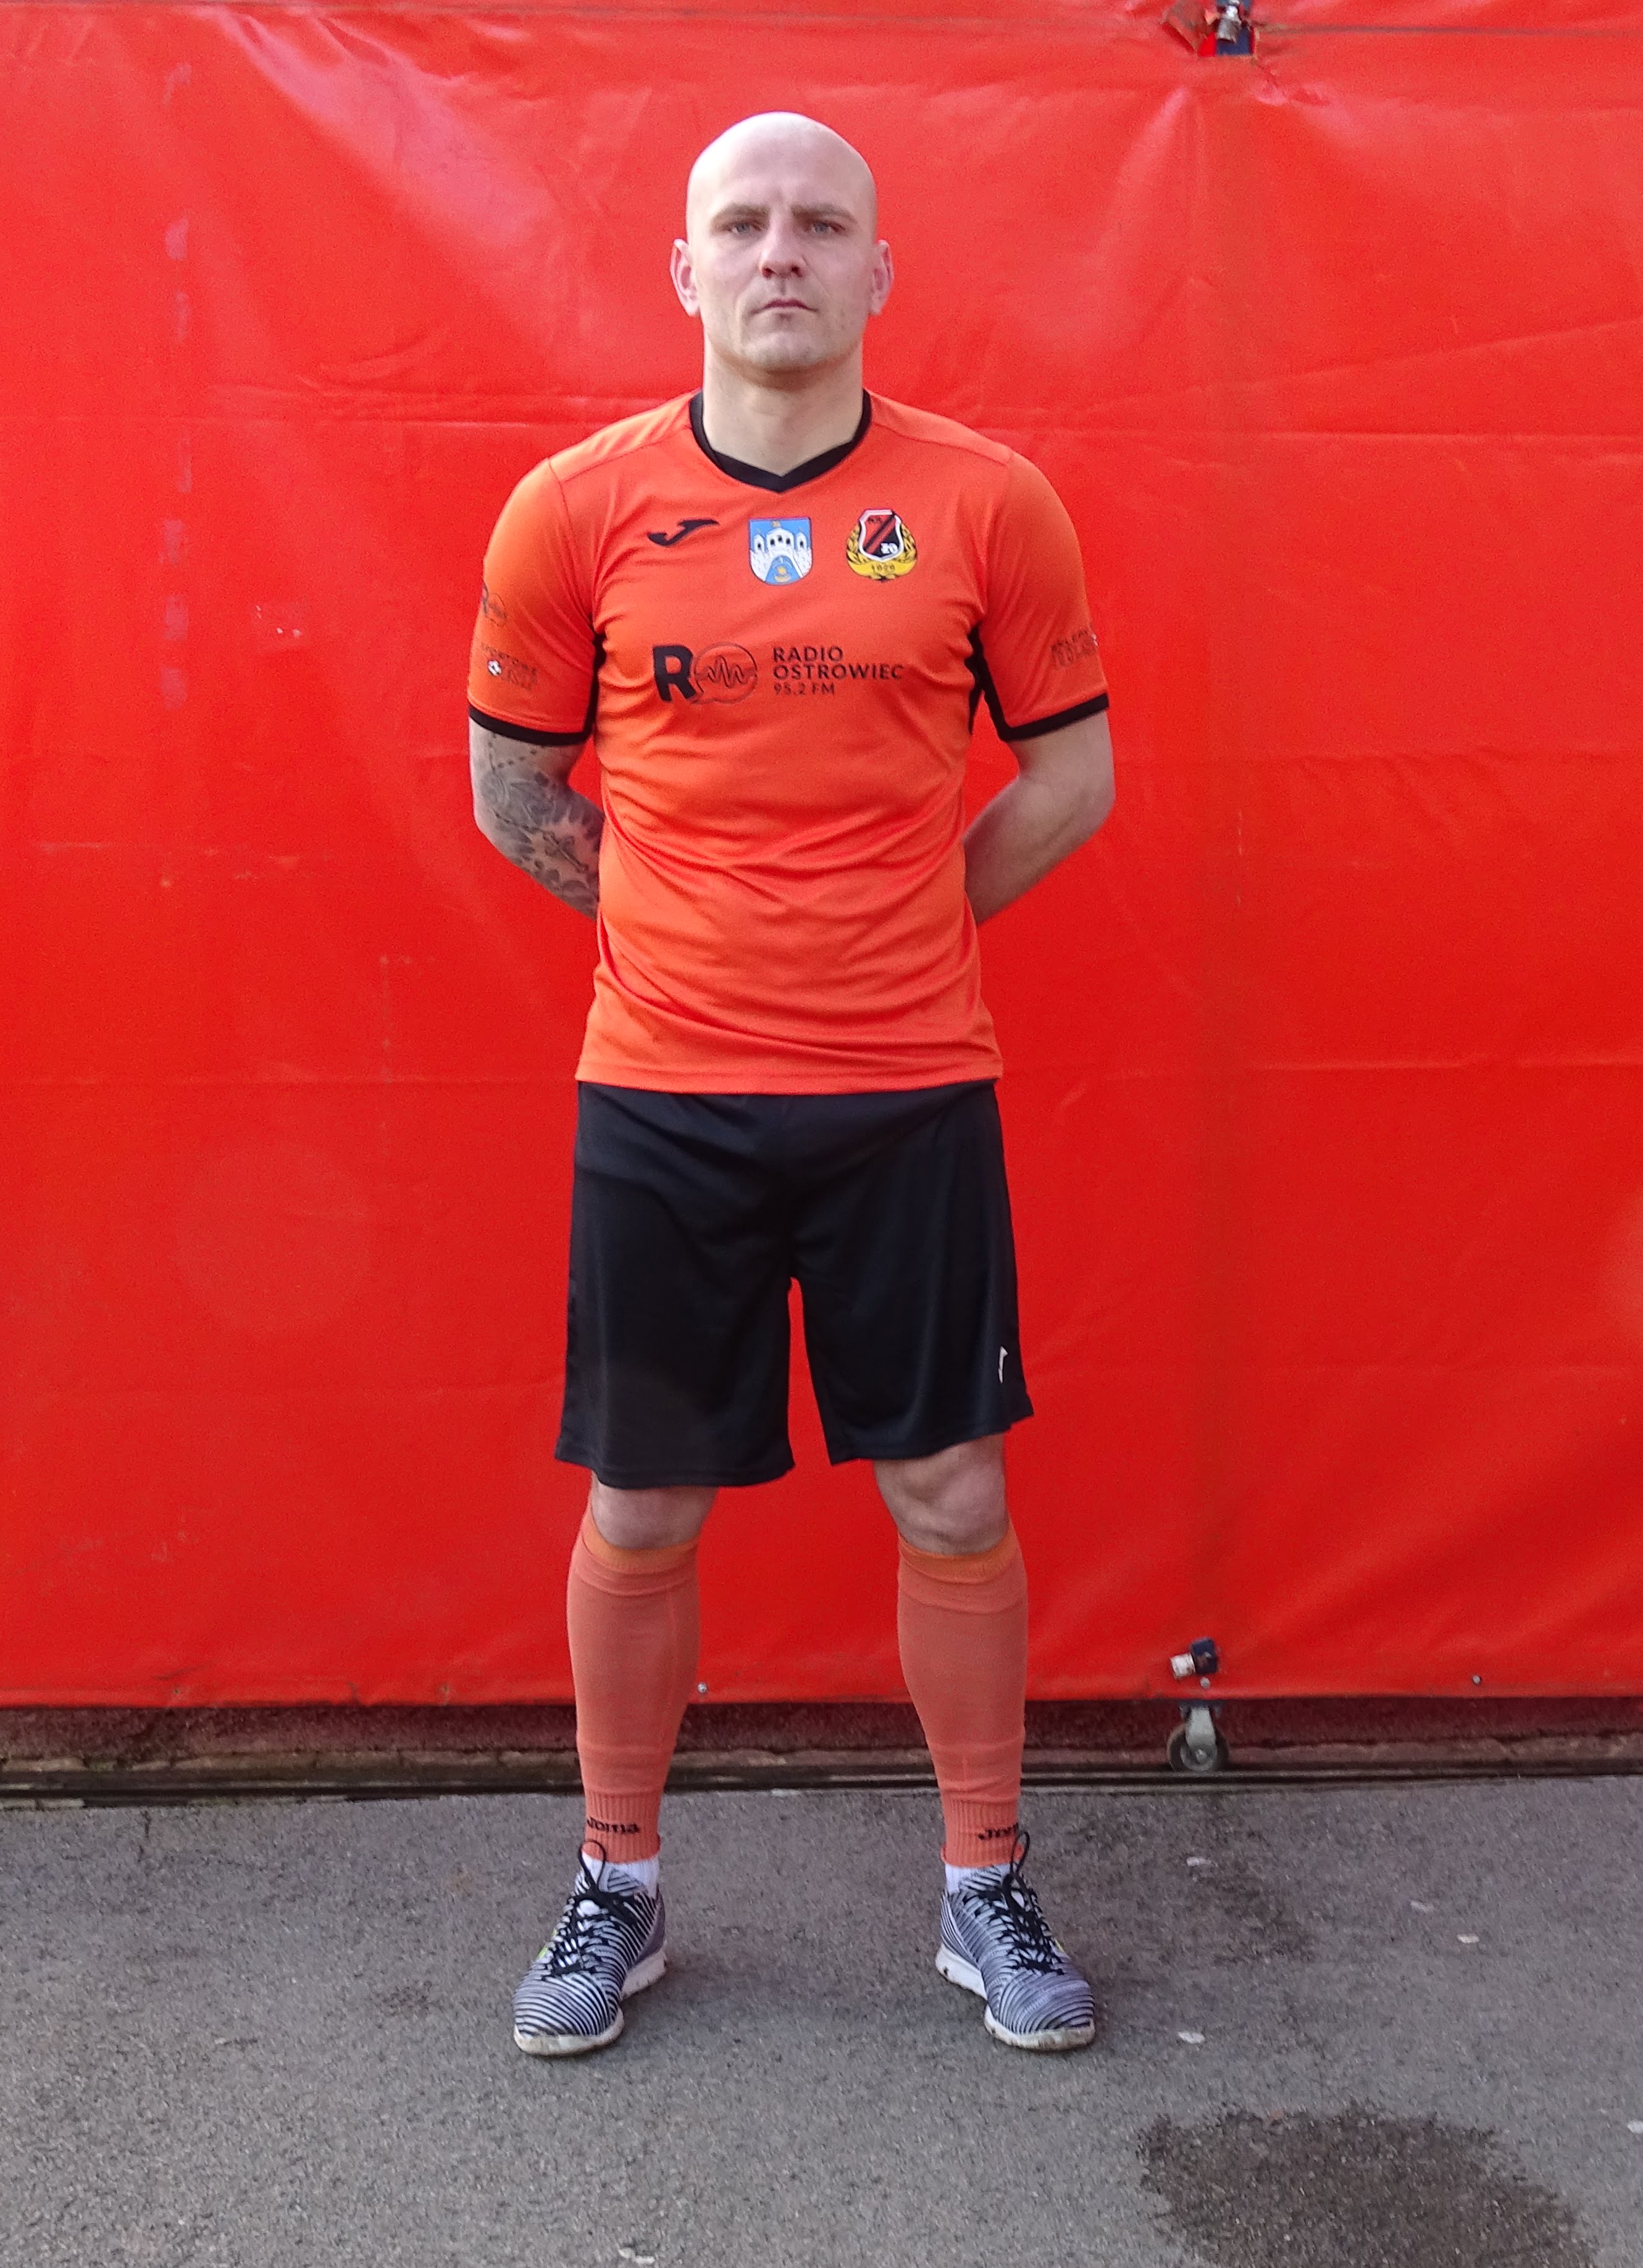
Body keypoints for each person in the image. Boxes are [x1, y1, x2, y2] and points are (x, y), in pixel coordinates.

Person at [465, 111, 1115, 2057]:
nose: (780, 254)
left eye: (821, 225)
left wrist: (895, 926)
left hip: (908, 1089)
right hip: (665, 1094)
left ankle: (985, 1877)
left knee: (953, 1488)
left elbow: (1072, 779)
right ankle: (617, 1879)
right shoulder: (573, 510)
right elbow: (512, 790)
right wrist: (694, 935)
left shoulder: (986, 503)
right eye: (742, 225)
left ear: (877, 270)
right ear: (686, 269)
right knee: (645, 1498)